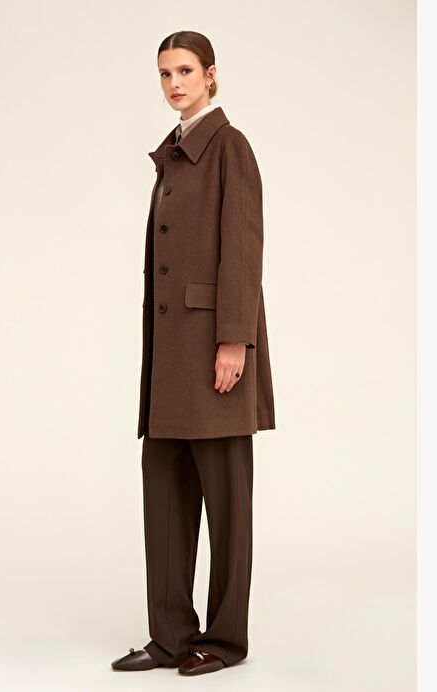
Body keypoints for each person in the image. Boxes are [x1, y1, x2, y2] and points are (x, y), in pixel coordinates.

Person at [111, 30, 275, 676]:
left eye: (184, 71)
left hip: (213, 356)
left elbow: (242, 247)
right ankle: (171, 637)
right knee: (164, 500)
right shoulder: (175, 152)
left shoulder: (228, 146)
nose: (173, 83)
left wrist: (234, 338)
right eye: (164, 73)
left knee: (227, 508)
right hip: (170, 362)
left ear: (210, 75)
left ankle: (225, 640)